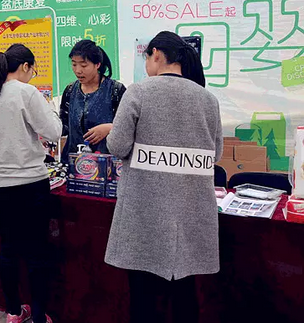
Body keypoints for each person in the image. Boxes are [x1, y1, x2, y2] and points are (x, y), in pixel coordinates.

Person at [104, 31, 221, 323]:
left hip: (144, 211)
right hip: (190, 212)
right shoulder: (208, 99)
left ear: (156, 54)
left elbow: (117, 146)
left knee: (144, 298)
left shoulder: (139, 92)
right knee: (184, 295)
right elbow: (215, 154)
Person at [0, 44, 61, 323]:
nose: (32, 75)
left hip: (1, 186)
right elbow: (54, 131)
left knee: (8, 250)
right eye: (32, 70)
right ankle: (39, 316)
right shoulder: (26, 92)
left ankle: (13, 311)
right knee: (36, 252)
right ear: (24, 66)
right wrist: (49, 112)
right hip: (32, 184)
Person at [60, 40, 125, 160]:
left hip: (106, 163)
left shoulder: (115, 91)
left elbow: (128, 126)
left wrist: (110, 128)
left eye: (84, 65)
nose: (78, 70)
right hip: (74, 163)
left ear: (97, 65)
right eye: (74, 64)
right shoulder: (70, 91)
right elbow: (63, 126)